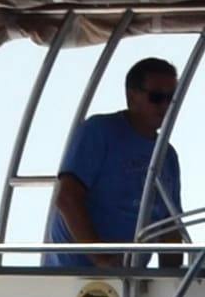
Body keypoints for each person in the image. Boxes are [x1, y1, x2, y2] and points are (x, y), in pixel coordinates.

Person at [47, 58, 188, 273]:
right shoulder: (99, 132)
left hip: (131, 281)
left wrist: (171, 281)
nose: (165, 106)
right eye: (157, 97)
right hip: (78, 281)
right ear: (132, 96)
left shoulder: (167, 155)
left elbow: (169, 226)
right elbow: (67, 198)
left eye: (172, 99)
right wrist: (102, 260)